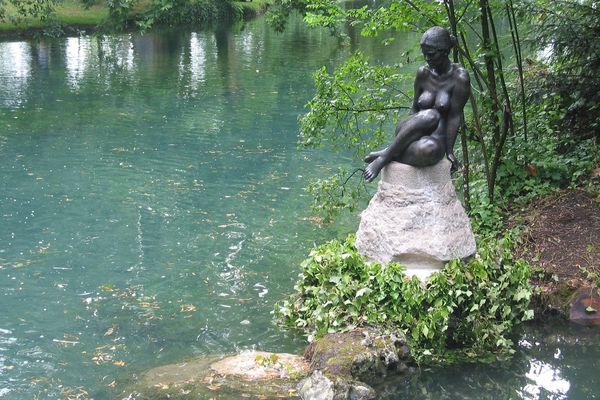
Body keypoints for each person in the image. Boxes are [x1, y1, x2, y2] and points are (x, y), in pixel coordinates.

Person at [363, 26, 470, 182]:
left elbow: (454, 117)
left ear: (445, 51)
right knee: (431, 115)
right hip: (411, 128)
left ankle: (388, 152)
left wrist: (449, 152)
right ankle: (384, 158)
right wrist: (407, 134)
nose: (427, 58)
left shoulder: (459, 78)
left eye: (431, 54)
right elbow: (414, 109)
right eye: (424, 54)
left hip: (435, 138)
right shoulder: (423, 73)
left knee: (429, 151)